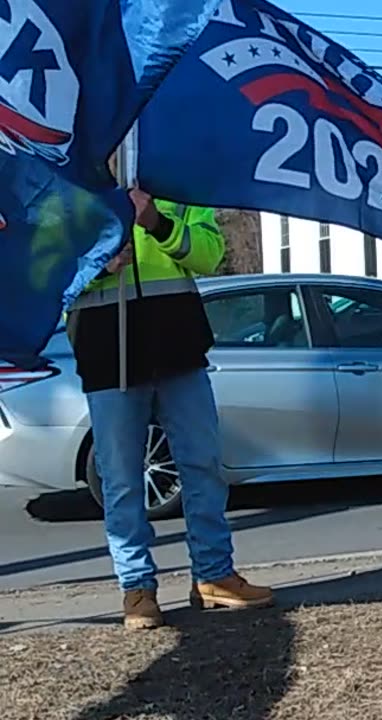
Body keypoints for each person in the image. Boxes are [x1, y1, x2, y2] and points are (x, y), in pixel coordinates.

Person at [66, 186, 273, 629]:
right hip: (107, 349)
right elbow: (44, 271)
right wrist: (95, 263)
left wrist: (156, 222)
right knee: (121, 477)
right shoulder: (72, 187)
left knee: (203, 464)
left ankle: (214, 576)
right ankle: (136, 588)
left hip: (178, 343)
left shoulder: (175, 181)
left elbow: (209, 255)